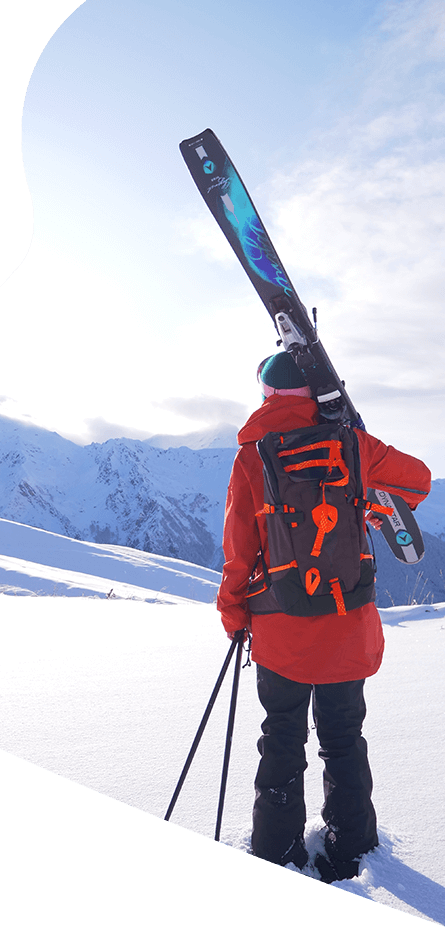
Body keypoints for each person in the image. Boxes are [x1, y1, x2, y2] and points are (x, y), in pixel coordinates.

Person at [216, 352, 431, 882]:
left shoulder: (252, 456)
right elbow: (419, 482)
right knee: (343, 739)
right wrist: (368, 500)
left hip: (279, 629)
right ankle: (353, 848)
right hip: (347, 627)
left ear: (266, 394)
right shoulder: (353, 445)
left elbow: (239, 551)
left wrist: (233, 614)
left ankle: (276, 846)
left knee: (282, 737)